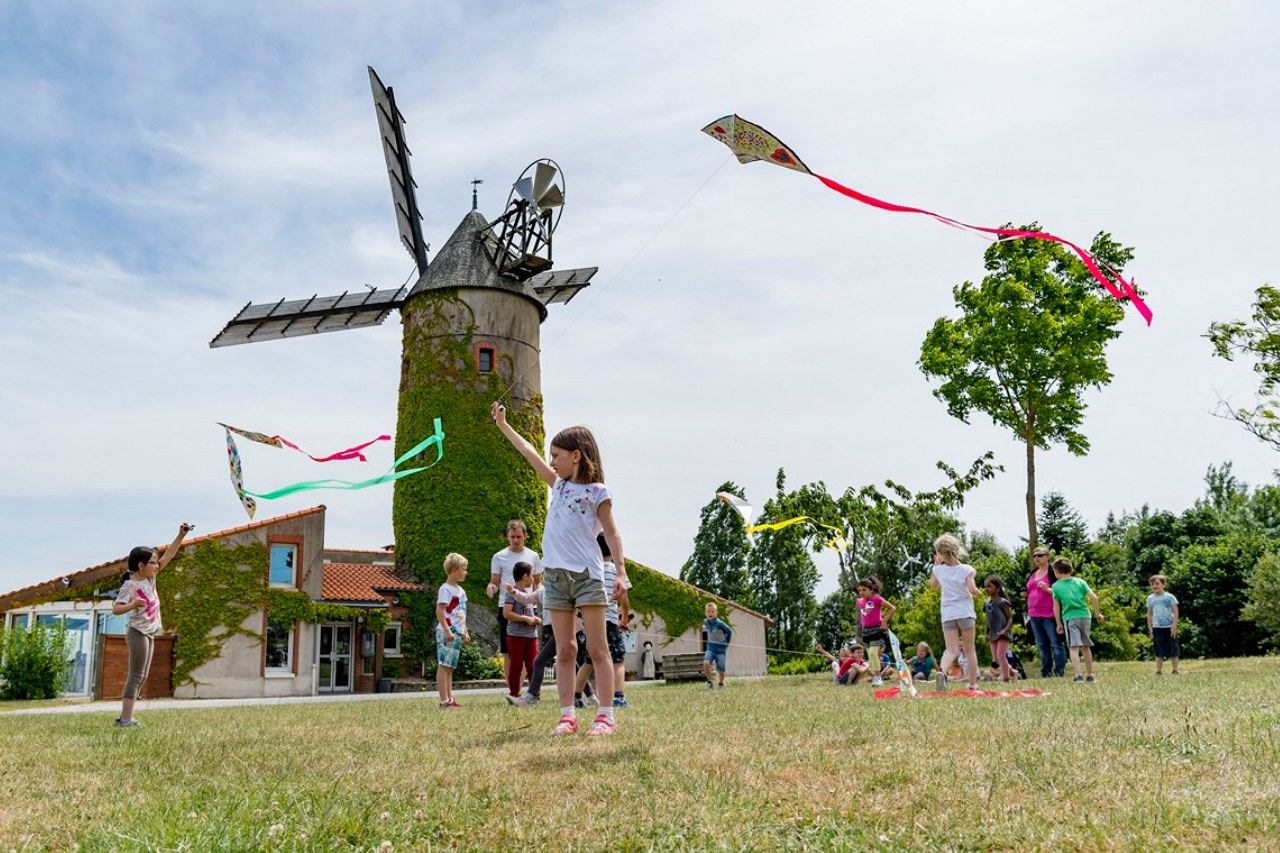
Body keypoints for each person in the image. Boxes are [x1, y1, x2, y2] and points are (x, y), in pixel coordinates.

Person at [492, 400, 627, 736]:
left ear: (576, 455)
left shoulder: (598, 492)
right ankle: (567, 715)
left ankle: (605, 716)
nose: (552, 461)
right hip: (554, 578)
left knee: (597, 648)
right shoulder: (559, 485)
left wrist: (621, 572)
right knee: (564, 649)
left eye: (557, 455)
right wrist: (503, 425)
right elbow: (528, 453)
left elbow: (611, 532)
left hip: (586, 576)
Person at [113, 523, 193, 727]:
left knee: (143, 675)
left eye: (157, 564)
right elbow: (116, 609)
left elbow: (169, 556)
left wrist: (180, 535)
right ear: (141, 565)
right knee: (136, 675)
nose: (157, 566)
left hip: (149, 632)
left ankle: (128, 717)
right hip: (137, 632)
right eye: (153, 563)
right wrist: (132, 604)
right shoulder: (130, 585)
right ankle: (125, 719)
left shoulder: (151, 580)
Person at [574, 535, 633, 707]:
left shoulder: (590, 570)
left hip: (592, 622)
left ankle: (576, 698)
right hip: (611, 621)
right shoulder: (616, 571)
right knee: (618, 660)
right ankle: (618, 698)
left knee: (588, 661)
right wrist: (624, 617)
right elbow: (624, 599)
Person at [488, 520, 544, 676]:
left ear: (525, 536)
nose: (515, 540)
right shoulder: (499, 556)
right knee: (508, 652)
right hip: (506, 607)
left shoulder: (533, 556)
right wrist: (491, 587)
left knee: (527, 649)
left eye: (519, 536)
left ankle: (525, 691)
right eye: (512, 537)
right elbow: (493, 582)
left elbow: (538, 582)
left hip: (528, 608)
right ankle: (513, 691)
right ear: (507, 537)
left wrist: (539, 596)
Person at [929, 533, 982, 691]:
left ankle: (942, 672)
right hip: (965, 612)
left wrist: (936, 567)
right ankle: (972, 684)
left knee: (951, 649)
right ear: (957, 549)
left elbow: (933, 587)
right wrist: (980, 593)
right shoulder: (967, 569)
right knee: (969, 649)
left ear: (939, 553)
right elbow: (972, 589)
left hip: (948, 613)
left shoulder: (938, 570)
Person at [1051, 558, 1104, 683]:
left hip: (1070, 617)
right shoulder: (1080, 582)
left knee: (1073, 647)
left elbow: (1056, 606)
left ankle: (1078, 675)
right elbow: (1094, 597)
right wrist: (1098, 613)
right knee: (1086, 646)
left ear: (1056, 571)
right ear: (1071, 569)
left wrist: (1058, 624)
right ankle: (1090, 675)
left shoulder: (1056, 586)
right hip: (1085, 616)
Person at [435, 553, 471, 708]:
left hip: (457, 632)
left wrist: (465, 631)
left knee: (450, 667)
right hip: (447, 632)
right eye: (464, 569)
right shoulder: (446, 589)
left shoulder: (461, 591)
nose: (466, 572)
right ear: (455, 570)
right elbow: (440, 610)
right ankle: (444, 700)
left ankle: (450, 698)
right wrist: (447, 630)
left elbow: (462, 613)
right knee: (444, 665)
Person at [502, 562, 541, 702]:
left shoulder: (529, 595)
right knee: (516, 666)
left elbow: (529, 612)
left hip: (531, 636)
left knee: (533, 666)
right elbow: (507, 613)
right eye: (532, 575)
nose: (533, 579)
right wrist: (525, 618)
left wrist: (534, 618)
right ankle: (514, 694)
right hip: (516, 636)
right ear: (525, 576)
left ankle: (534, 694)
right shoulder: (511, 594)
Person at [1026, 546, 1067, 678]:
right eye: (1034, 556)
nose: (1036, 558)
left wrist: (1047, 589)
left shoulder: (1052, 573)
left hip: (1050, 613)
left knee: (1056, 643)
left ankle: (1059, 671)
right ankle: (1046, 671)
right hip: (1034, 614)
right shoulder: (1033, 573)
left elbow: (1061, 592)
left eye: (1040, 555)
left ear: (1048, 557)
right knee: (1042, 645)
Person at [855, 575, 896, 686]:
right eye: (859, 590)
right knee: (871, 655)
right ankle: (876, 677)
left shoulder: (877, 599)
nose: (861, 592)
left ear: (871, 589)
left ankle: (878, 678)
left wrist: (884, 621)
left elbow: (892, 608)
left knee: (873, 653)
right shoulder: (859, 601)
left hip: (877, 630)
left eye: (864, 590)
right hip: (866, 632)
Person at [1146, 574, 1181, 676]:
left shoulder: (1170, 597)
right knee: (1158, 650)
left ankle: (1175, 670)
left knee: (1173, 649)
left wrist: (1174, 625)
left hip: (1169, 627)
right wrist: (1150, 627)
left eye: (1157, 583)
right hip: (1157, 627)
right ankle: (1158, 670)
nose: (1154, 586)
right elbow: (1149, 613)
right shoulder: (1150, 598)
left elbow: (1175, 611)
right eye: (1152, 584)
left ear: (1163, 585)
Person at [983, 576, 1014, 682]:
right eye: (985, 587)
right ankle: (1012, 672)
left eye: (989, 586)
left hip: (1003, 633)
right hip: (993, 633)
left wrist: (1005, 630)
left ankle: (1006, 677)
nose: (986, 589)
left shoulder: (1003, 602)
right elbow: (987, 620)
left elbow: (1009, 619)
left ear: (998, 588)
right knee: (996, 658)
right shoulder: (986, 603)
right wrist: (986, 633)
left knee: (1001, 655)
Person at [702, 602, 733, 689]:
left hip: (720, 649)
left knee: (721, 669)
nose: (710, 613)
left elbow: (729, 631)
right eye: (708, 612)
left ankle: (721, 683)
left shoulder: (720, 623)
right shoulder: (705, 622)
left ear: (716, 612)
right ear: (705, 613)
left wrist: (727, 643)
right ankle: (709, 682)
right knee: (706, 662)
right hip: (710, 648)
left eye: (712, 611)